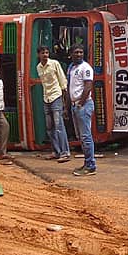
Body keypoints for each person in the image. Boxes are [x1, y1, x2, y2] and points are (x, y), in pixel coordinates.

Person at [36, 46, 71, 163]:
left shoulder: (54, 63)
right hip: (46, 98)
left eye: (46, 52)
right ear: (38, 55)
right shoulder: (39, 67)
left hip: (56, 96)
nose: (45, 55)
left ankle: (65, 152)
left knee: (59, 125)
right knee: (49, 127)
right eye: (43, 53)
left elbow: (62, 80)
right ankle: (56, 151)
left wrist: (65, 102)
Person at [66, 44, 96, 176]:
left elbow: (88, 87)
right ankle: (87, 162)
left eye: (81, 52)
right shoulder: (71, 68)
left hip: (83, 105)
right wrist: (68, 107)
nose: (78, 54)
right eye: (76, 52)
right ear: (71, 54)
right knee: (81, 137)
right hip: (74, 105)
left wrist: (80, 104)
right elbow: (69, 87)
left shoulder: (86, 68)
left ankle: (90, 165)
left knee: (86, 136)